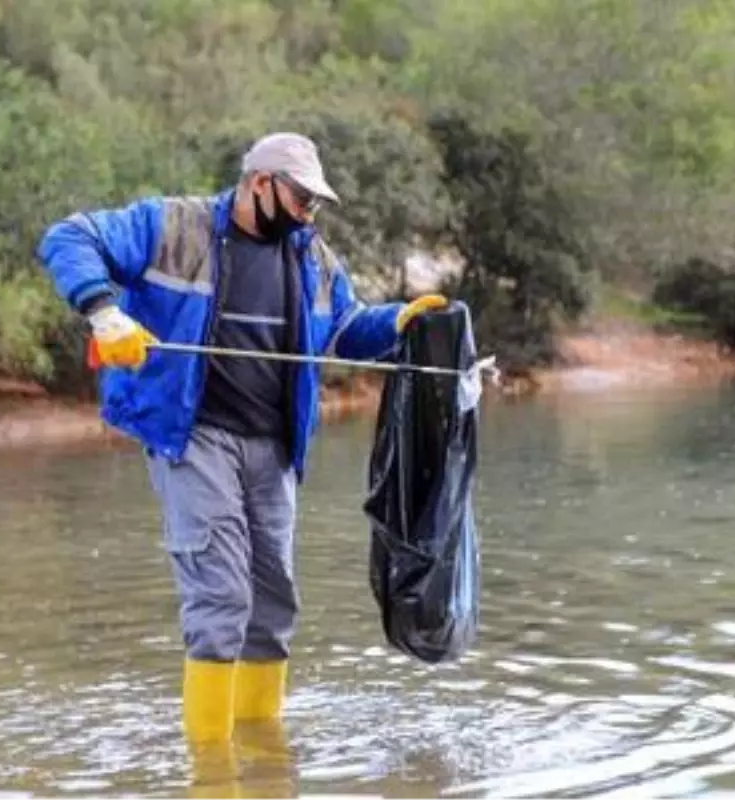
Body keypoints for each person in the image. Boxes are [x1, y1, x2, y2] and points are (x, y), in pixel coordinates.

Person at [36, 132, 447, 747]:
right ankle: (210, 773)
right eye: (303, 199)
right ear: (261, 183)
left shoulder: (312, 259)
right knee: (222, 595)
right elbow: (67, 237)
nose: (310, 213)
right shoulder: (173, 226)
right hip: (194, 436)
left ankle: (262, 763)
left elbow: (346, 331)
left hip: (274, 448)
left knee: (274, 604)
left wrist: (399, 321)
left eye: (315, 203)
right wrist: (105, 312)